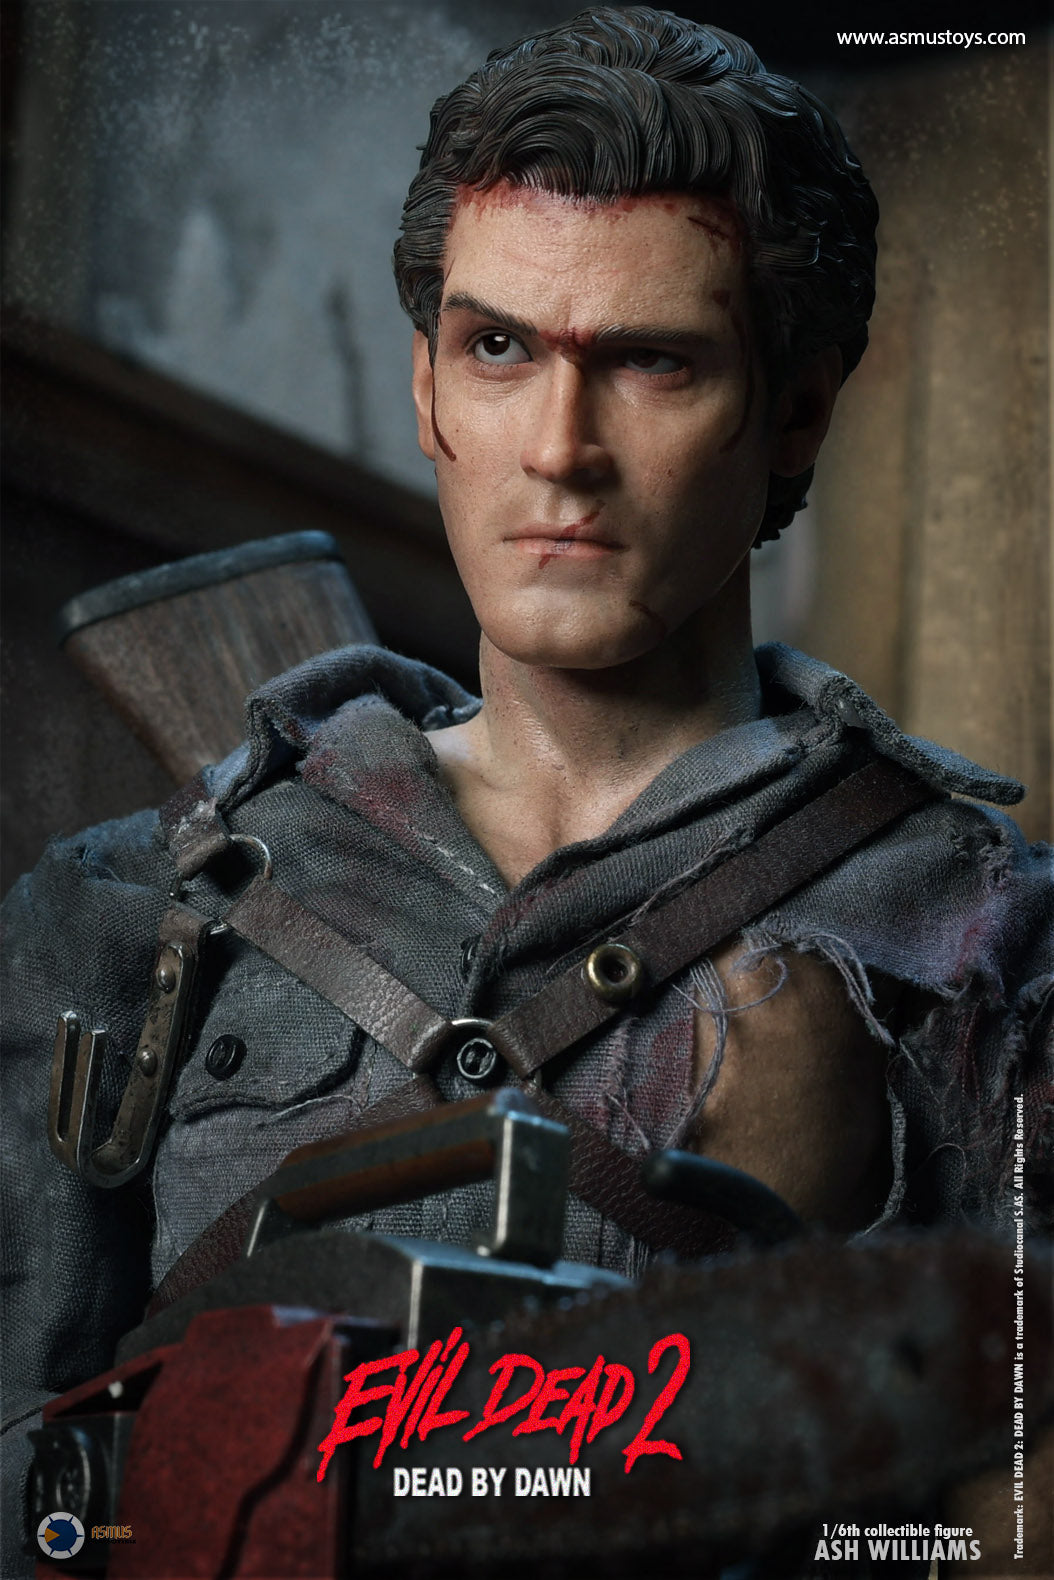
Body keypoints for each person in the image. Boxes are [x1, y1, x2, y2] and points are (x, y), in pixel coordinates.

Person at [2, 7, 1050, 1574]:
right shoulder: (133, 910)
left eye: (651, 362)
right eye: (498, 348)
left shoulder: (980, 940)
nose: (559, 450)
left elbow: (1001, 1527)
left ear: (796, 412)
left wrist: (784, 1258)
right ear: (428, 388)